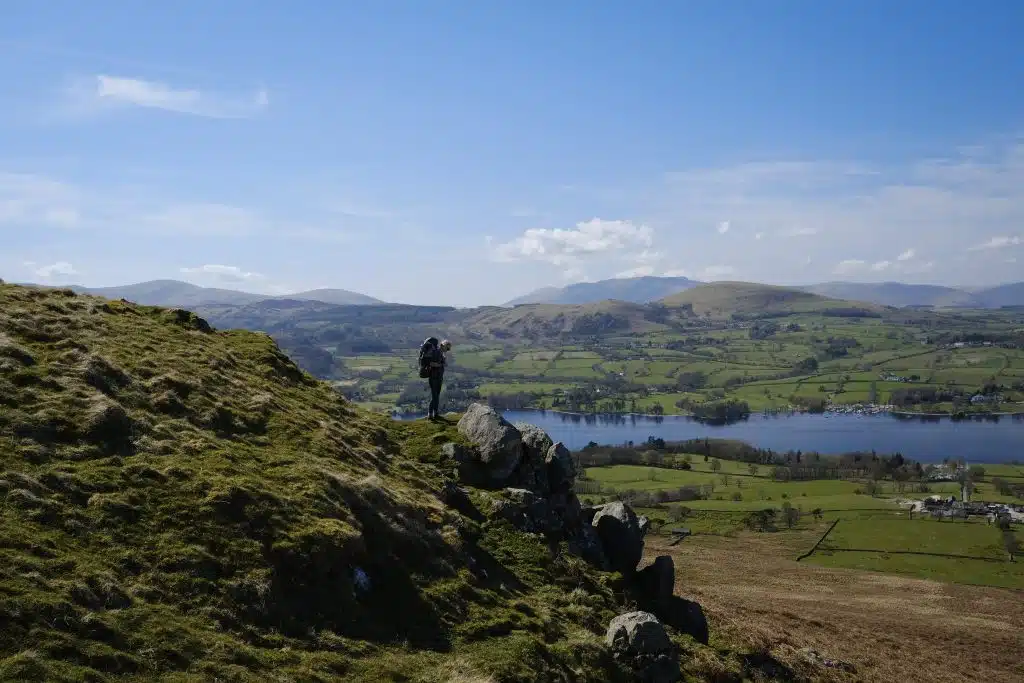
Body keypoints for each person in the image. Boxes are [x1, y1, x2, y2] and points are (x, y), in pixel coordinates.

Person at [425, 339, 451, 419]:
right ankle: (430, 414)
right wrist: (440, 365)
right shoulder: (436, 352)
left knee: (437, 396)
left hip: (439, 377)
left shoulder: (442, 354)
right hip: (434, 377)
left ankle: (435, 413)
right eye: (447, 348)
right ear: (443, 346)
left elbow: (444, 364)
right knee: (435, 396)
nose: (447, 350)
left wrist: (444, 361)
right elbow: (431, 363)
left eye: (448, 349)